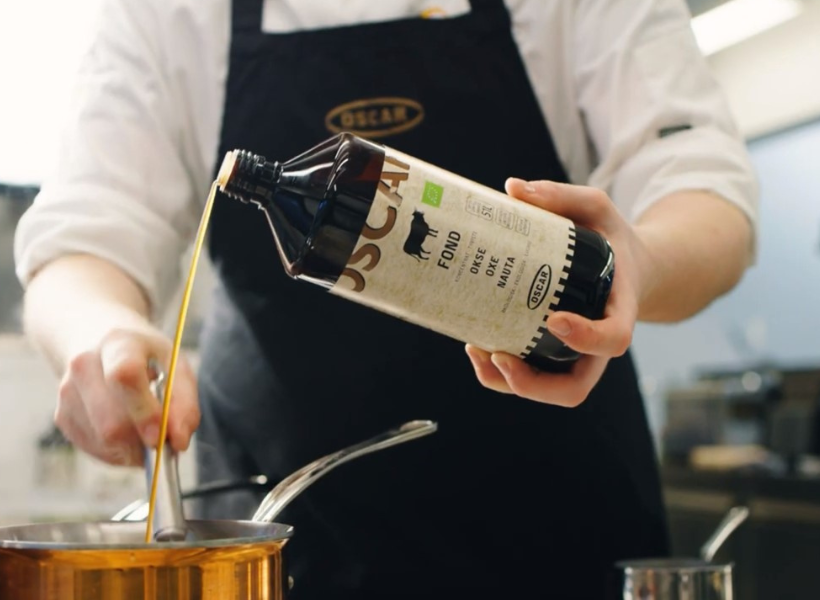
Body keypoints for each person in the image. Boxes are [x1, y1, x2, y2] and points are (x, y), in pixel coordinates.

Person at [14, 0, 758, 598]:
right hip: (287, 545)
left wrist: (639, 262)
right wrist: (99, 331)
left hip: (559, 526)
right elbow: (87, 235)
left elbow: (703, 189)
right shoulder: (169, 13)